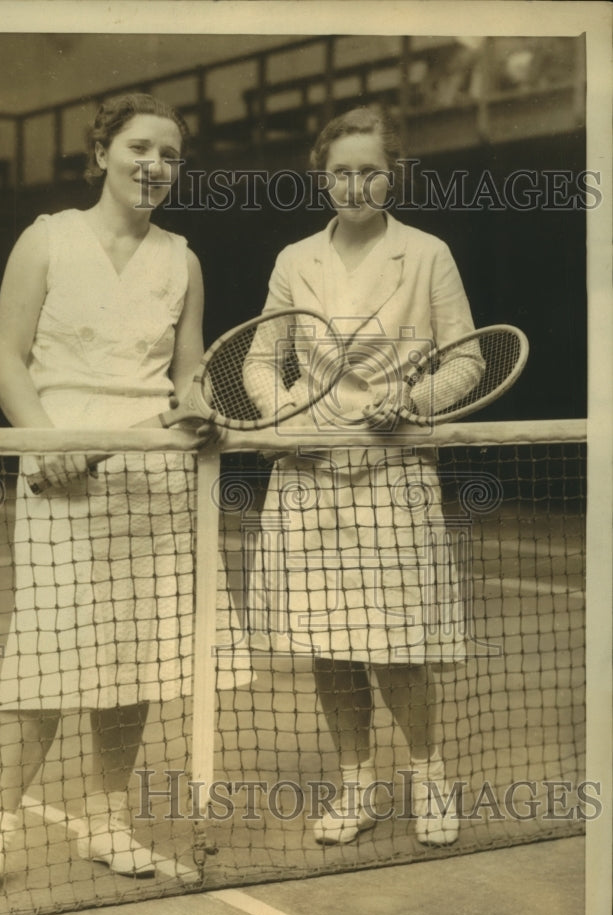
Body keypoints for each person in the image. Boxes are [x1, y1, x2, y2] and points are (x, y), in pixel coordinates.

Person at [0, 94, 213, 906]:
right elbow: (4, 357)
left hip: (152, 478)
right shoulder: (46, 237)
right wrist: (46, 442)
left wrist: (197, 403)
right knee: (50, 659)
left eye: (168, 154)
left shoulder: (184, 260)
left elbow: (190, 369)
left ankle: (106, 817)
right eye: (137, 147)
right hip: (60, 470)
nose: (153, 165)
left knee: (128, 660)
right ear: (100, 153)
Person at [243, 106, 484, 848]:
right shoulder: (294, 260)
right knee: (329, 644)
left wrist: (410, 400)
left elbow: (468, 360)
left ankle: (428, 776)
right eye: (340, 172)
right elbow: (256, 359)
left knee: (399, 646)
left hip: (392, 472)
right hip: (308, 477)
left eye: (369, 171)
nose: (354, 185)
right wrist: (280, 409)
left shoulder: (428, 254)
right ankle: (355, 787)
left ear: (392, 174)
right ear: (322, 177)